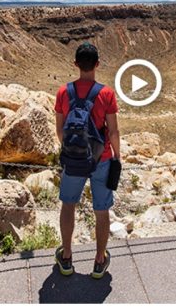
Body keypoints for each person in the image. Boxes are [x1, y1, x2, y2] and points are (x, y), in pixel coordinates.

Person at [53, 42, 120, 279]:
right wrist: (116, 158)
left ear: (76, 64)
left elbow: (60, 130)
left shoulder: (64, 92)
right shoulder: (106, 93)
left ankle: (68, 256)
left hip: (73, 160)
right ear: (97, 64)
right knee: (101, 211)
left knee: (68, 205)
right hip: (100, 160)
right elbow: (112, 132)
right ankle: (100, 260)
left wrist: (71, 150)